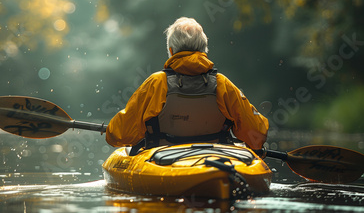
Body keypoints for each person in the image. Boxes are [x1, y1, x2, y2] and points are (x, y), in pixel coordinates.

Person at [105, 17, 269, 153]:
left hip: (163, 161)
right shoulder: (222, 84)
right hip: (216, 160)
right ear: (204, 49)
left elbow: (119, 135)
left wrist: (113, 131)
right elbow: (257, 135)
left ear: (171, 50)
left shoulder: (157, 83)